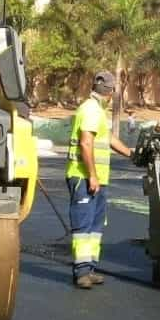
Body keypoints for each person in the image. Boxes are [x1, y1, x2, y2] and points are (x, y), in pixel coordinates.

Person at [67, 70, 133, 290]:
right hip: (84, 177)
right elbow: (86, 144)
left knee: (95, 227)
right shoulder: (91, 110)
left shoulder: (96, 110)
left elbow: (108, 139)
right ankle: (82, 272)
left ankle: (90, 268)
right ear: (111, 91)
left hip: (96, 179)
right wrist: (92, 175)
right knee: (84, 226)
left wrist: (131, 153)